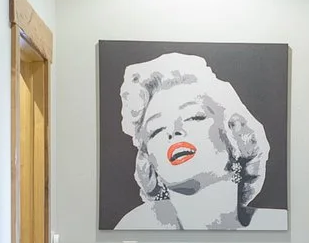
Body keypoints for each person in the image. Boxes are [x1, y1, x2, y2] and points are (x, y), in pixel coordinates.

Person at [113, 53, 288, 231]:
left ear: (234, 136)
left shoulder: (278, 224)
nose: (173, 131)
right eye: (156, 130)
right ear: (149, 161)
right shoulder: (137, 226)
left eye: (194, 117)